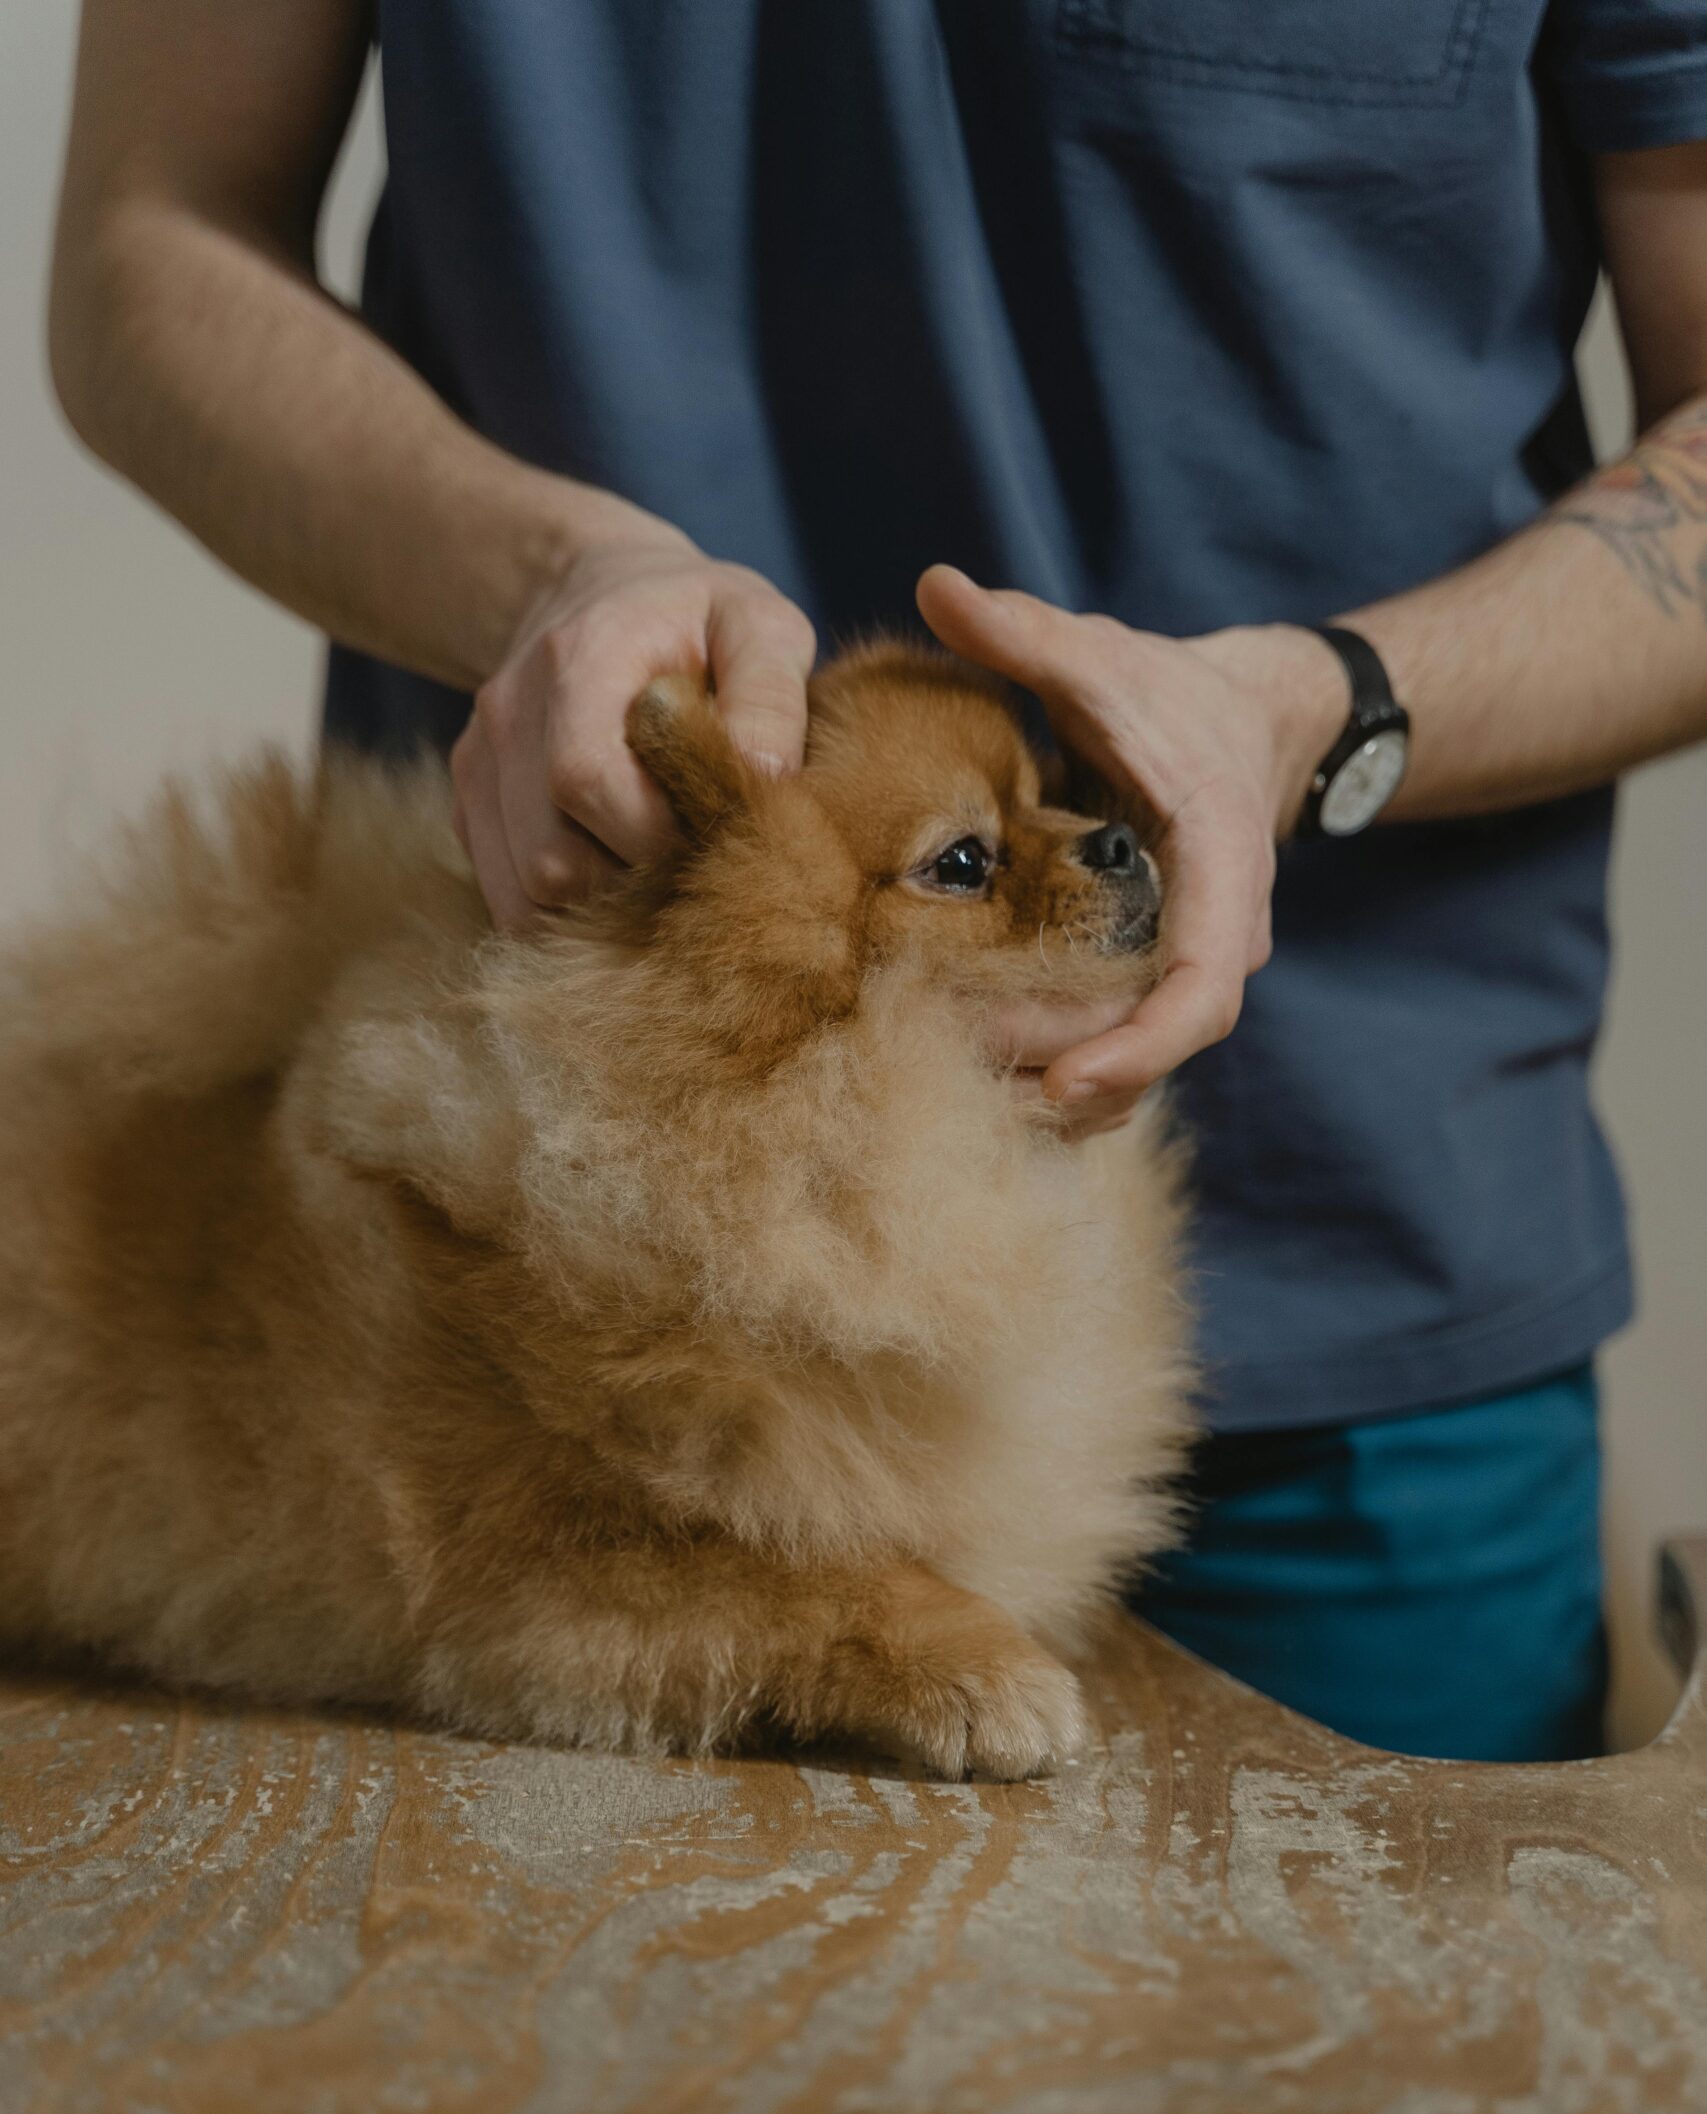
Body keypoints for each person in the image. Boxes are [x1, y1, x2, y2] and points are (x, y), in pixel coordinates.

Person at [48, 0, 1707, 1759]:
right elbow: (145, 244)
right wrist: (547, 573)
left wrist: (1326, 705)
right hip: (554, 1369)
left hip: (1372, 1297)